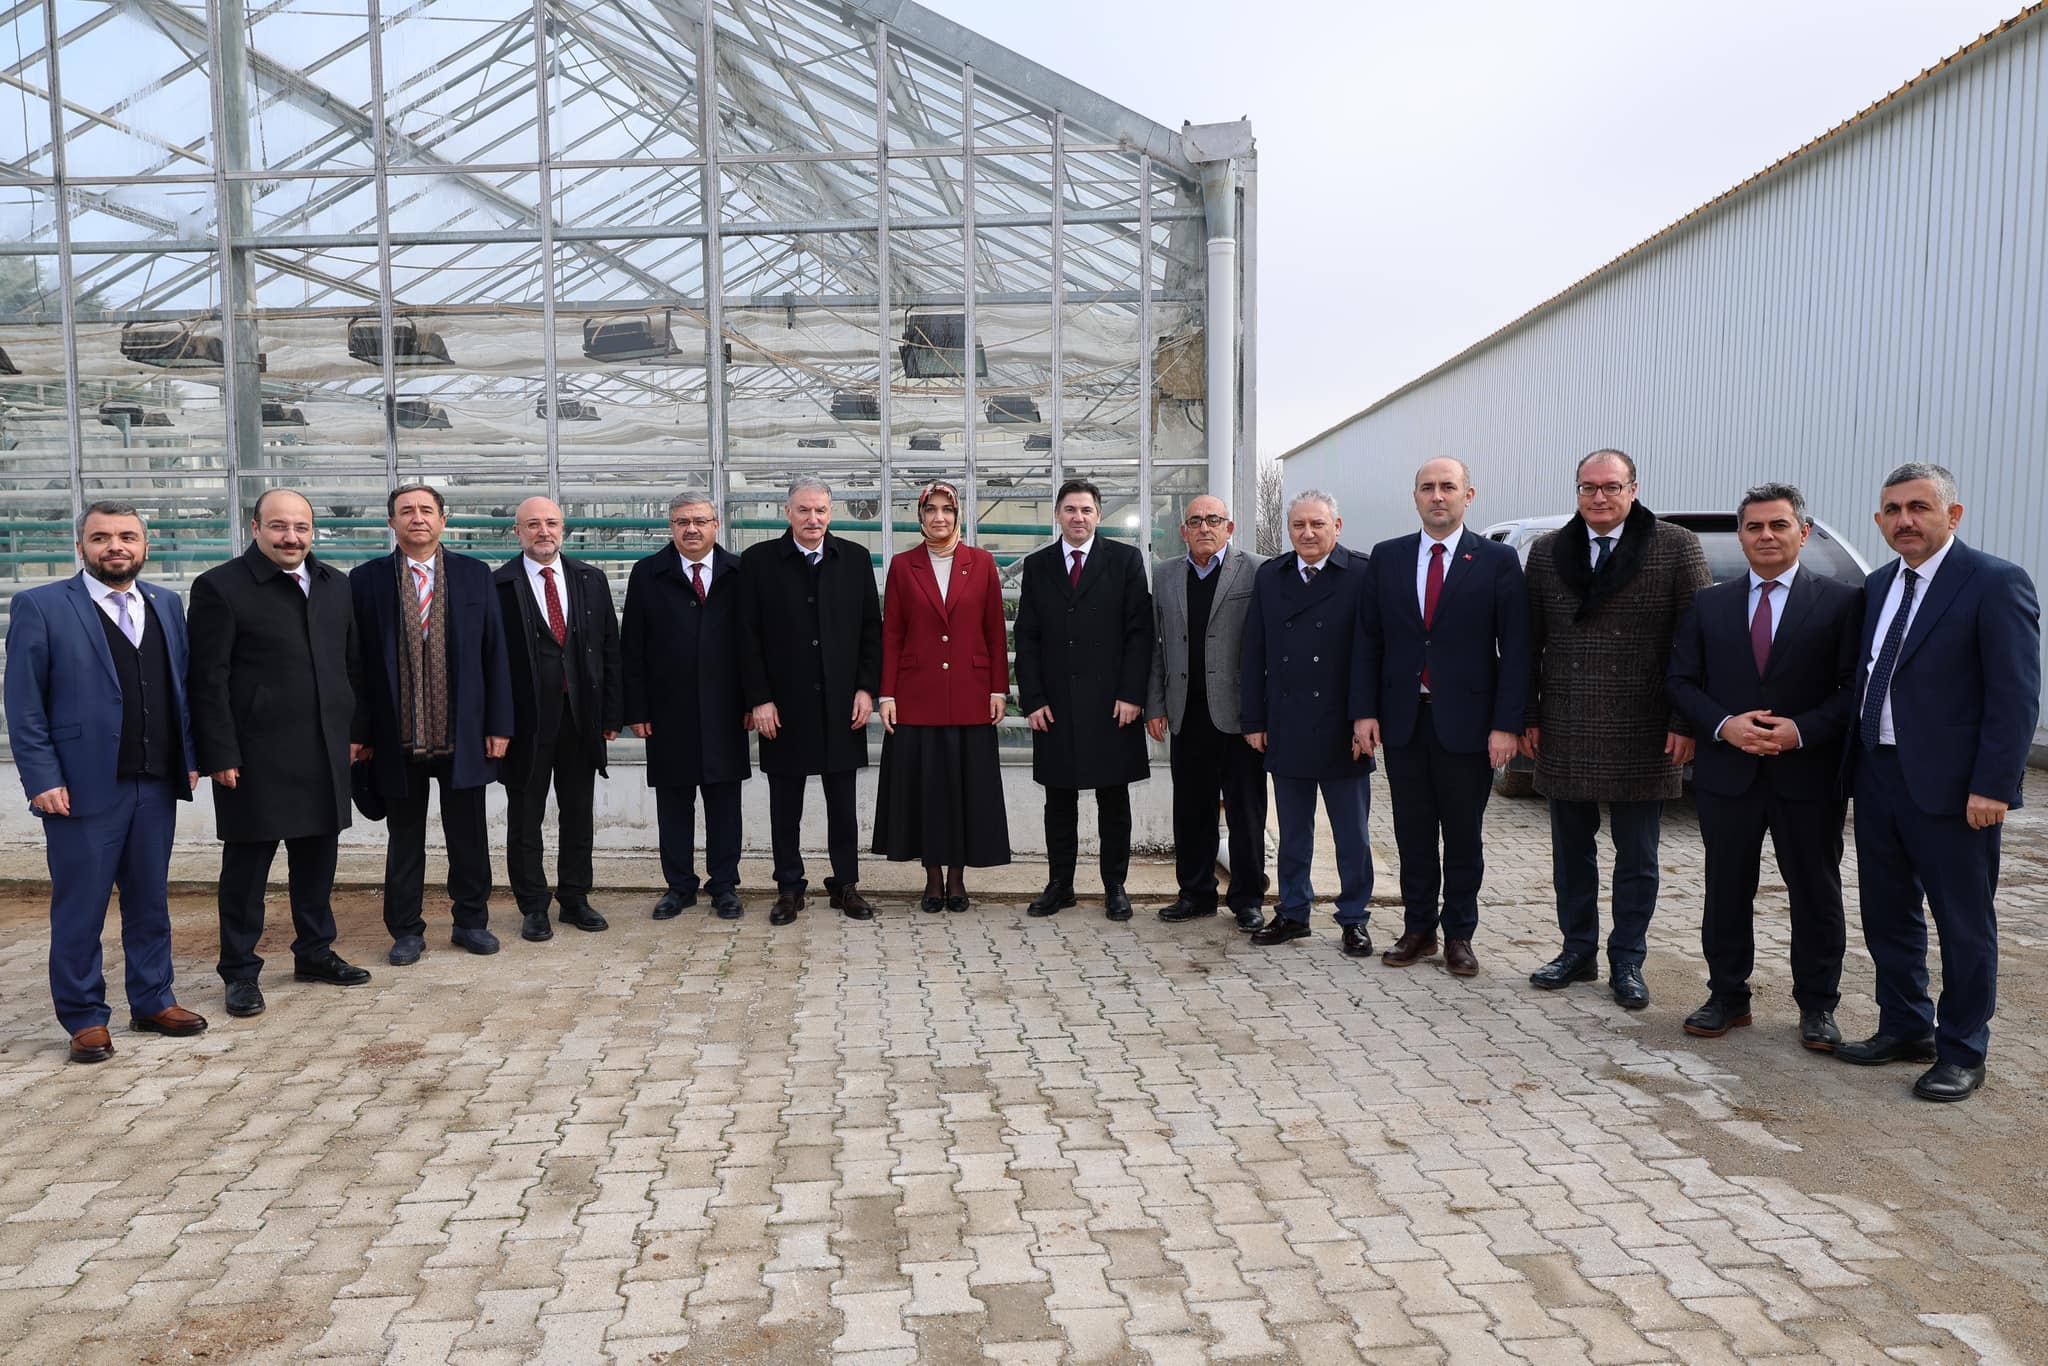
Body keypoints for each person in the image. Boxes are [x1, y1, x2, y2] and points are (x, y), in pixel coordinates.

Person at [1836, 462, 2039, 1103]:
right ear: (1878, 521)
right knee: (1887, 913)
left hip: (1958, 791)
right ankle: (1904, 1027)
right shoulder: (1875, 587)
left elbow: (2015, 695)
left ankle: (1961, 1051)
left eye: (1919, 507)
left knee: (1962, 922)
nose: (1905, 520)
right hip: (1880, 773)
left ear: (1952, 515)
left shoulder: (1994, 582)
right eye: (1893, 510)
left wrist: (1994, 786)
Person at [4, 501, 206, 1062]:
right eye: (101, 537)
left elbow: (180, 691)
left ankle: (153, 998)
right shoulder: (41, 606)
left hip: (155, 783)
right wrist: (41, 777)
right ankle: (85, 1017)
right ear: (81, 547)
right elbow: (23, 705)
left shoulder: (166, 604)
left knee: (150, 901)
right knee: (80, 909)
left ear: (144, 545)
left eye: (126, 537)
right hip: (79, 789)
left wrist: (187, 756)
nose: (115, 546)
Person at [1667, 483, 1861, 1051]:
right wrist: (1725, 725)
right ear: (1741, 535)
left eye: (1779, 525)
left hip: (1808, 777)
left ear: (1802, 532)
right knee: (1726, 888)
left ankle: (1818, 1006)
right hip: (1729, 775)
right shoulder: (1710, 603)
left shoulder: (1842, 601)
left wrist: (1800, 731)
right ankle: (1728, 995)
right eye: (1754, 527)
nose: (1766, 536)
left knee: (1815, 892)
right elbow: (1680, 681)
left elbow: (1854, 689)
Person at [1522, 449, 1710, 1009]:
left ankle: (1628, 959)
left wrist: (1685, 720)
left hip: (1645, 724)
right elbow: (1527, 642)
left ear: (1634, 488)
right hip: (1566, 721)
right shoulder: (1548, 551)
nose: (1598, 498)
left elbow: (1695, 641)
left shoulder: (1676, 546)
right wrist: (1526, 715)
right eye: (1587, 488)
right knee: (1570, 852)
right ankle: (1576, 950)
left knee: (1638, 856)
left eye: (1610, 487)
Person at [187, 489, 371, 1019]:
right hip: (254, 754)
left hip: (325, 747)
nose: (291, 537)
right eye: (279, 527)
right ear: (255, 528)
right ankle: (239, 971)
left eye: (301, 528)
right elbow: (208, 679)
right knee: (247, 870)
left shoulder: (336, 585)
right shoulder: (220, 588)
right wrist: (219, 750)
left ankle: (314, 953)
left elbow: (353, 664)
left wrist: (355, 729)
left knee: (317, 860)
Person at [1353, 458, 1527, 976]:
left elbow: (1515, 648)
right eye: (1427, 487)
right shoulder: (1388, 558)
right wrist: (1363, 712)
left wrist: (1506, 723)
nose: (1437, 496)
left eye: (1447, 487)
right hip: (1404, 721)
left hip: (1469, 725)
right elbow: (1368, 640)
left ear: (1467, 496)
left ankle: (1460, 935)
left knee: (1463, 835)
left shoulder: (1496, 560)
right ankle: (1418, 929)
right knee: (1412, 831)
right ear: (1415, 496)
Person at [350, 484, 513, 964]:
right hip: (396, 733)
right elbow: (356, 663)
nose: (417, 518)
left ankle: (471, 921)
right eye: (406, 511)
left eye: (426, 510)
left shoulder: (473, 575)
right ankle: (405, 930)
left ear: (443, 519)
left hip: (462, 731)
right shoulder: (366, 580)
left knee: (469, 832)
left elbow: (495, 653)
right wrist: (361, 734)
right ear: (392, 523)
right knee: (404, 838)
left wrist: (498, 725)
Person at [737, 478, 884, 925]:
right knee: (786, 803)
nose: (813, 519)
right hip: (784, 706)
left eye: (820, 510)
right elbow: (747, 637)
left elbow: (870, 631)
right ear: (788, 513)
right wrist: (760, 699)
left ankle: (846, 884)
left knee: (843, 802)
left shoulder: (854, 559)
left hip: (842, 704)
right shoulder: (759, 561)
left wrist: (865, 689)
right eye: (803, 510)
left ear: (830, 512)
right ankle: (788, 886)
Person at [1240, 490, 1375, 953]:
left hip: (1344, 728)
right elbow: (1252, 650)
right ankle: (1293, 913)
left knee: (1351, 835)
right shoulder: (1271, 575)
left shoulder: (1360, 573)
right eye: (1299, 525)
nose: (1308, 533)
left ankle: (1354, 917)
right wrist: (1254, 718)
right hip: (1288, 721)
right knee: (1293, 833)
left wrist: (1365, 718)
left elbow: (1371, 653)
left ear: (1337, 527)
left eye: (1318, 524)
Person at [1013, 478, 1154, 922]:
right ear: (1058, 515)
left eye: (1087, 510)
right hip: (1055, 705)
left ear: (1098, 516)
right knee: (1059, 800)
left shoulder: (1126, 560)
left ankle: (1115, 886)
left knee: (1114, 799)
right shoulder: (1037, 566)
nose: (1078, 518)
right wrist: (1032, 699)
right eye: (1070, 510)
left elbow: (1140, 632)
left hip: (1113, 705)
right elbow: (1027, 636)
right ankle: (1061, 885)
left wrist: (1133, 694)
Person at [874, 480, 1011, 909]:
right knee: (927, 789)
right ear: (920, 516)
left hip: (971, 694)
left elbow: (994, 630)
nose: (939, 517)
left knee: (964, 789)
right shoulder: (903, 565)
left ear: (958, 515)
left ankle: (958, 878)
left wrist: (998, 688)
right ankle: (932, 878)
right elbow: (892, 632)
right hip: (917, 697)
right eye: (931, 510)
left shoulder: (982, 562)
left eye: (947, 510)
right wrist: (886, 694)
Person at [494, 496, 623, 943]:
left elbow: (610, 650)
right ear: (517, 531)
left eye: (550, 523)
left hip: (580, 719)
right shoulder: (500, 586)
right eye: (532, 524)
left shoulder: (590, 579)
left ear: (562, 528)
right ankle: (533, 906)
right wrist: (498, 725)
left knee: (578, 814)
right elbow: (490, 664)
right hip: (526, 724)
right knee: (525, 817)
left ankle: (575, 899)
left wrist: (611, 713)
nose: (543, 531)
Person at [621, 493, 750, 922]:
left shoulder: (739, 572)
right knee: (674, 802)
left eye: (699, 521)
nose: (690, 529)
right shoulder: (647, 573)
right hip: (667, 709)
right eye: (681, 522)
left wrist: (753, 701)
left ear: (717, 525)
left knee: (724, 801)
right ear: (670, 527)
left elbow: (757, 643)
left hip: (726, 709)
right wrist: (636, 709)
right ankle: (679, 885)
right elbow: (632, 646)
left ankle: (725, 885)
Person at [1145, 494, 1268, 931]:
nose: (1203, 528)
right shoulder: (1165, 576)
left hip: (1239, 718)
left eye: (1213, 520)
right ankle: (1195, 893)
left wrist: (1261, 716)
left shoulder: (1256, 570)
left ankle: (1248, 897)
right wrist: (1156, 706)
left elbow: (1266, 648)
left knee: (1246, 811)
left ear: (1229, 527)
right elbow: (1156, 646)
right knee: (1191, 809)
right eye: (1194, 521)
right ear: (1183, 531)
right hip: (1186, 713)